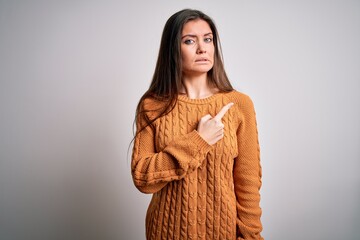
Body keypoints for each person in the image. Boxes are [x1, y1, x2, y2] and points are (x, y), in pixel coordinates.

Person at [131, 9, 263, 240]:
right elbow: (142, 178)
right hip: (165, 232)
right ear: (172, 49)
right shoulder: (152, 105)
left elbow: (248, 184)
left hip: (222, 234)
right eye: (189, 41)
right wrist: (198, 140)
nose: (202, 48)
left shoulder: (239, 105)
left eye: (208, 39)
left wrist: (251, 236)